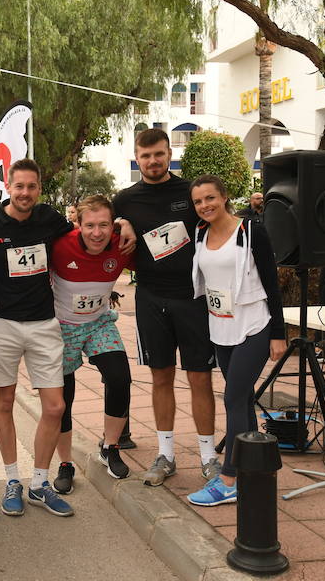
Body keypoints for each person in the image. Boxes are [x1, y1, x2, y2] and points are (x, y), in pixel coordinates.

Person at [113, 128, 222, 487]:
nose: (153, 161)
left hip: (193, 299)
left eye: (159, 154)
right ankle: (166, 455)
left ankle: (209, 458)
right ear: (136, 157)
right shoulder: (125, 199)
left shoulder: (188, 192)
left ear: (169, 152)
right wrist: (121, 220)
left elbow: (220, 223)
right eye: (145, 156)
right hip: (150, 299)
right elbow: (101, 224)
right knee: (160, 377)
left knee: (200, 378)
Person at [0, 159, 76, 519]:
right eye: (19, 187)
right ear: (8, 188)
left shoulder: (50, 219)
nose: (25, 193)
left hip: (44, 323)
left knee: (55, 407)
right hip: (2, 324)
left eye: (32, 187)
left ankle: (40, 483)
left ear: (39, 189)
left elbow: (82, 235)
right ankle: (13, 479)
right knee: (4, 400)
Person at [187, 175, 286, 506]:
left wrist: (278, 333)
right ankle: (253, 467)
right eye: (199, 201)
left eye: (211, 198)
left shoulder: (250, 230)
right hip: (221, 327)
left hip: (254, 324)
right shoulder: (200, 232)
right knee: (242, 400)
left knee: (233, 397)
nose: (205, 205)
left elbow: (272, 282)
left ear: (225, 196)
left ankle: (229, 478)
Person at [50, 195, 134, 494]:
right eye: (89, 225)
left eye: (103, 225)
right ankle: (65, 463)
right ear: (78, 224)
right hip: (62, 328)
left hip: (99, 323)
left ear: (113, 225)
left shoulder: (122, 245)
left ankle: (110, 446)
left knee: (120, 377)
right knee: (64, 397)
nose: (96, 233)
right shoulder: (60, 245)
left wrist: (129, 226)